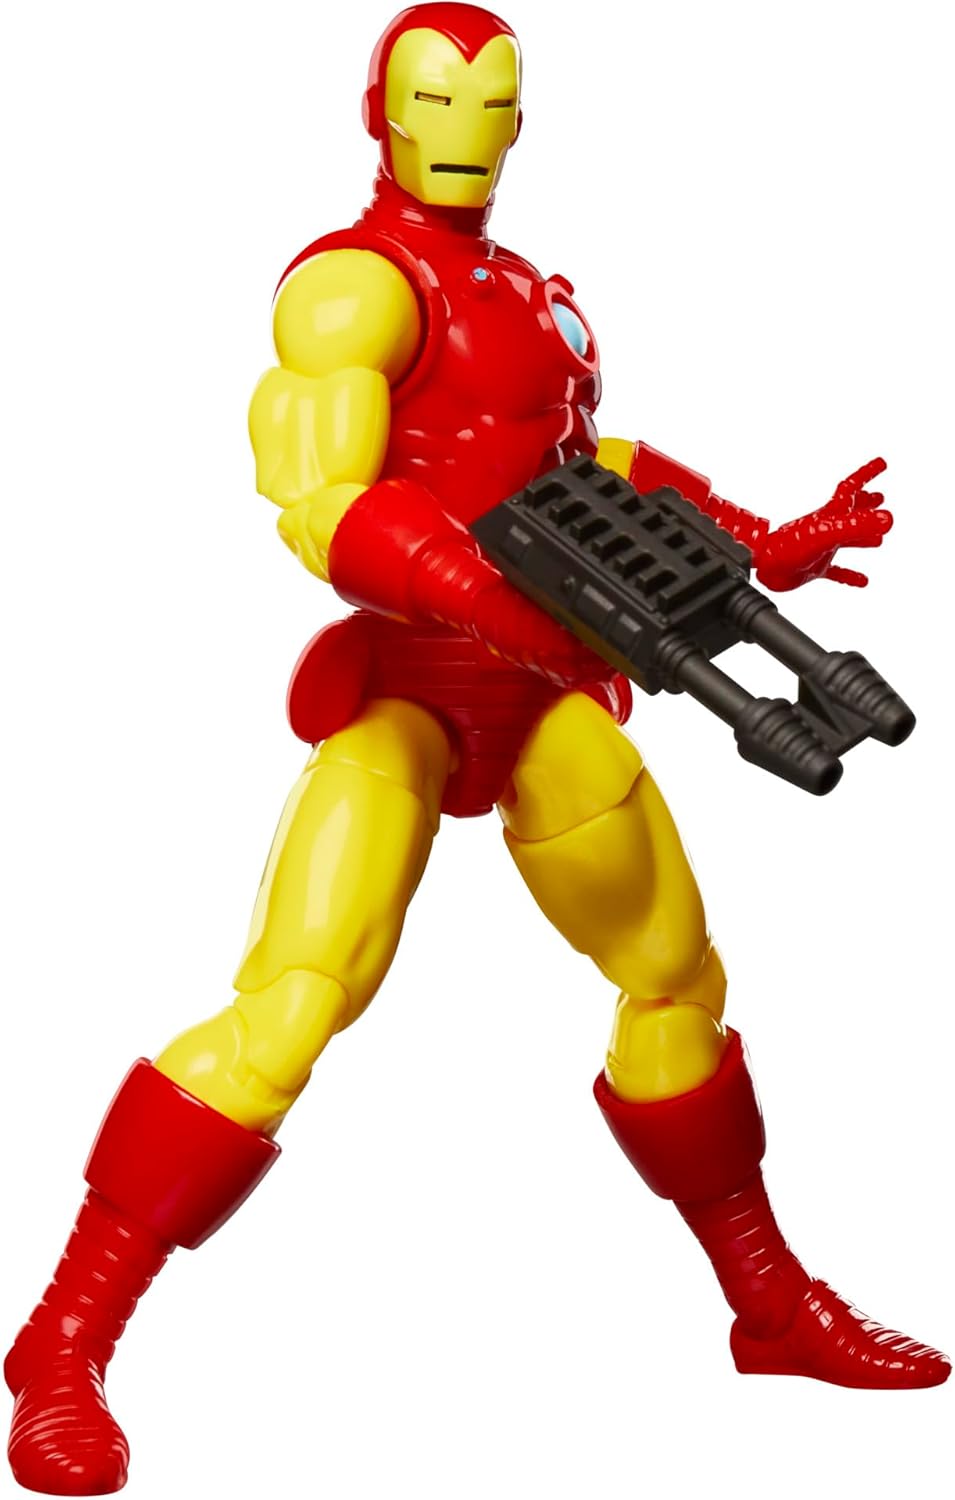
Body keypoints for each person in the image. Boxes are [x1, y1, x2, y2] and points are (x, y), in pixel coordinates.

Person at [6, 4, 947, 1495]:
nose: (466, 127)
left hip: (547, 698)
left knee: (676, 982)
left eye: (493, 102)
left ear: (520, 121)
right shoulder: (350, 290)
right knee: (291, 1008)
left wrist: (759, 541)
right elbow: (323, 501)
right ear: (380, 111)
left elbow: (590, 469)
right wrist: (493, 605)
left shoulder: (529, 294)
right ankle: (61, 1348)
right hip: (411, 695)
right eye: (438, 98)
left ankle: (769, 1307)